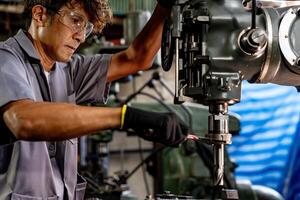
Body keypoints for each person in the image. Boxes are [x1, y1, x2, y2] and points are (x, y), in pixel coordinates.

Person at [0, 0, 188, 199]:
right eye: (75, 21)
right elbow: (24, 120)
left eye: (86, 28)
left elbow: (136, 59)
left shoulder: (67, 71)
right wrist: (125, 117)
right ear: (40, 15)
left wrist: (165, 7)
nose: (81, 37)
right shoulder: (6, 59)